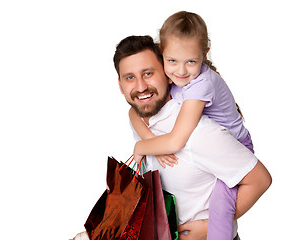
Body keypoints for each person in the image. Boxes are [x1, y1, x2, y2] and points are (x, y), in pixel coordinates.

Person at [115, 35, 271, 240]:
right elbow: (134, 115)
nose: (141, 86)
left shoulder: (199, 133)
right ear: (120, 85)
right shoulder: (142, 118)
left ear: (168, 74)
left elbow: (260, 180)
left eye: (148, 73)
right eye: (130, 77)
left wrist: (213, 226)